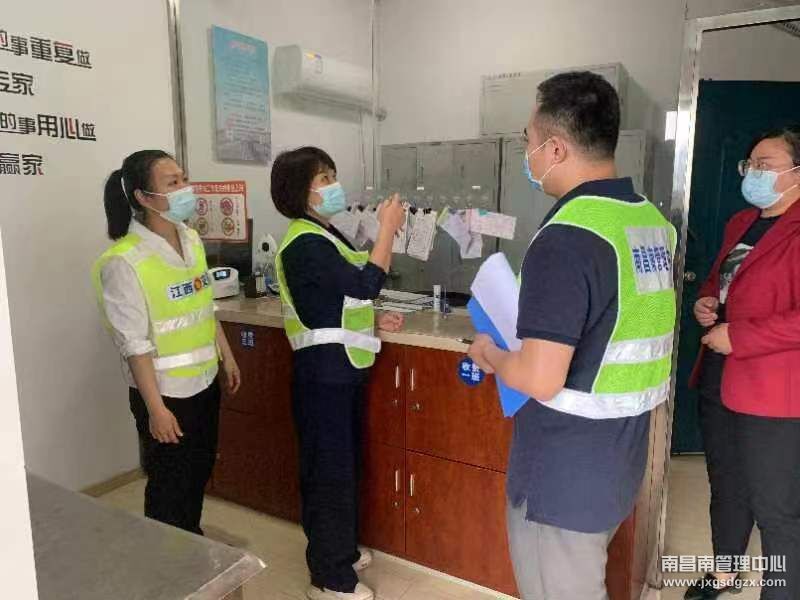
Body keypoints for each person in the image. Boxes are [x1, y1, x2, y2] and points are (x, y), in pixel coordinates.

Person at [468, 72, 677, 600]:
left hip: (563, 472)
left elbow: (541, 378)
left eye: (529, 140)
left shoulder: (567, 237)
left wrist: (491, 352)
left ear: (556, 148)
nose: (527, 153)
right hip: (619, 459)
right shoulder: (651, 222)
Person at [271, 147, 406, 600]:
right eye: (324, 178)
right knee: (328, 475)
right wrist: (387, 230)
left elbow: (340, 299)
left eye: (332, 175)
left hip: (341, 372)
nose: (334, 185)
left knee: (341, 469)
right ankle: (329, 580)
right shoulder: (304, 242)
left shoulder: (325, 234)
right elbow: (366, 284)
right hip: (322, 376)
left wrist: (374, 319)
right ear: (300, 191)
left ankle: (340, 552)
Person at [92, 150, 241, 535]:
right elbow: (134, 345)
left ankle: (191, 544)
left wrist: (226, 355)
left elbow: (204, 305)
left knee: (198, 471)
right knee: (170, 485)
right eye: (172, 182)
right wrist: (155, 409)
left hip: (204, 382)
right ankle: (167, 560)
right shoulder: (124, 261)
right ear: (143, 197)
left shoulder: (190, 238)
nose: (185, 188)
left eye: (184, 178)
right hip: (166, 394)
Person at [685, 126, 800, 600]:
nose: (753, 173)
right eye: (749, 164)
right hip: (720, 375)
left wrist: (741, 336)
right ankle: (725, 572)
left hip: (774, 389)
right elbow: (721, 280)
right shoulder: (742, 222)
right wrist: (707, 300)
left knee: (776, 506)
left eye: (765, 165)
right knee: (726, 483)